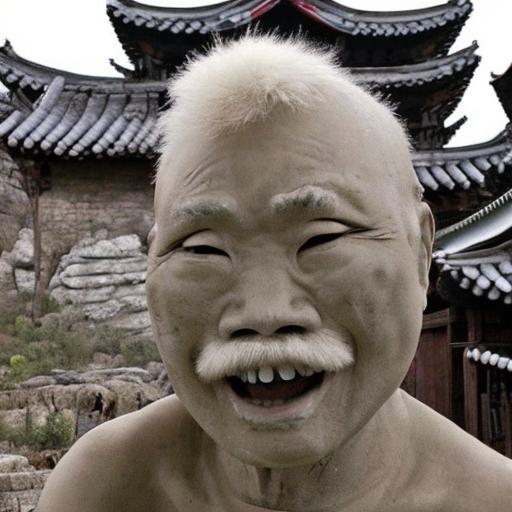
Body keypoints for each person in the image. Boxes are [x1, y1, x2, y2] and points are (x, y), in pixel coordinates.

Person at [37, 35, 512, 512]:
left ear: (420, 253)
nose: (265, 315)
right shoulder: (101, 489)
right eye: (203, 249)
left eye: (321, 239)